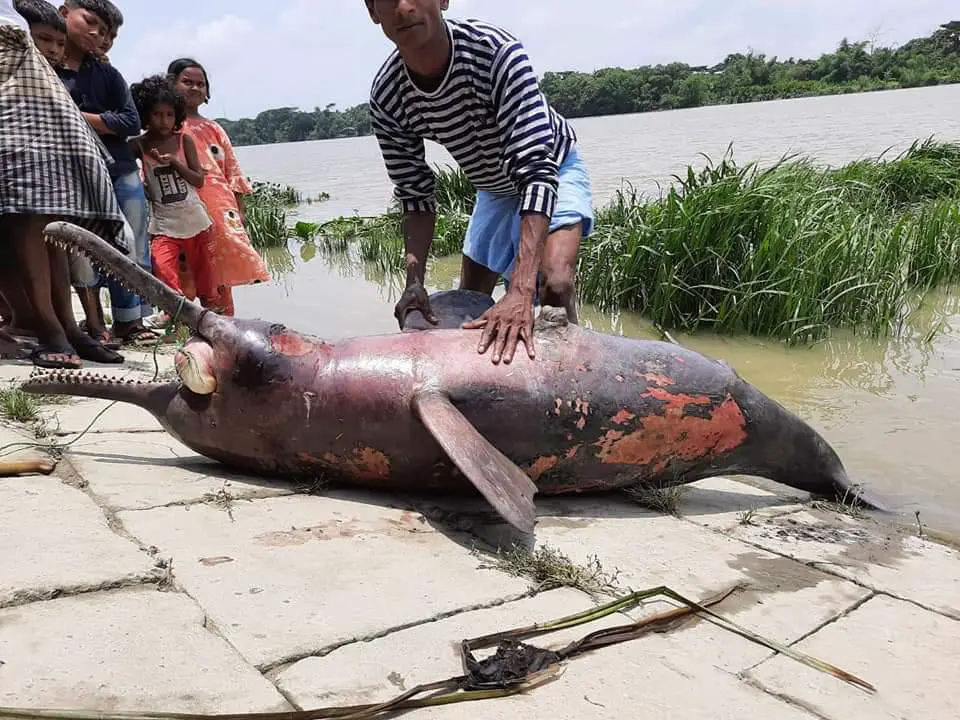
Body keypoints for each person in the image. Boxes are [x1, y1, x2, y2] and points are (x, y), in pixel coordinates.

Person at [364, 1, 594, 365]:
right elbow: (415, 196)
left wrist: (520, 289)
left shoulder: (495, 53)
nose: (403, 8)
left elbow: (536, 171)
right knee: (466, 303)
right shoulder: (388, 96)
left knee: (554, 286)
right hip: (493, 188)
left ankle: (577, 378)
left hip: (552, 169)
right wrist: (414, 283)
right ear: (373, 12)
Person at [0, 0, 127, 367]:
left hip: (25, 73)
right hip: (11, 73)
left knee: (51, 216)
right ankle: (48, 326)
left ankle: (67, 326)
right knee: (27, 213)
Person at [56, 0, 162, 347]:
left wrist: (80, 117)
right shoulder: (46, 70)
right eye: (91, 23)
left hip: (119, 168)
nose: (97, 35)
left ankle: (129, 321)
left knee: (130, 241)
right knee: (81, 248)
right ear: (64, 13)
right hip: (73, 171)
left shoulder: (107, 73)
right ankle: (96, 322)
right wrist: (106, 122)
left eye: (105, 32)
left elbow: (131, 122)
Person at [167, 58, 269, 317]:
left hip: (218, 206)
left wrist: (240, 210)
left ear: (207, 92)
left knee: (217, 266)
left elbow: (232, 171)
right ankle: (182, 324)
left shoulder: (214, 128)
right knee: (181, 265)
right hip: (178, 206)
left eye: (200, 84)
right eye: (187, 82)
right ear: (171, 83)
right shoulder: (163, 126)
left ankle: (222, 324)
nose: (194, 88)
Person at [129, 74, 215, 309]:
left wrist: (175, 163)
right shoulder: (139, 145)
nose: (164, 121)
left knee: (206, 282)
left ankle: (209, 321)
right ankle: (175, 316)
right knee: (163, 268)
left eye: (169, 114)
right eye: (157, 114)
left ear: (177, 115)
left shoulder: (183, 141)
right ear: (146, 114)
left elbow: (198, 180)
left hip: (196, 221)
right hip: (164, 225)